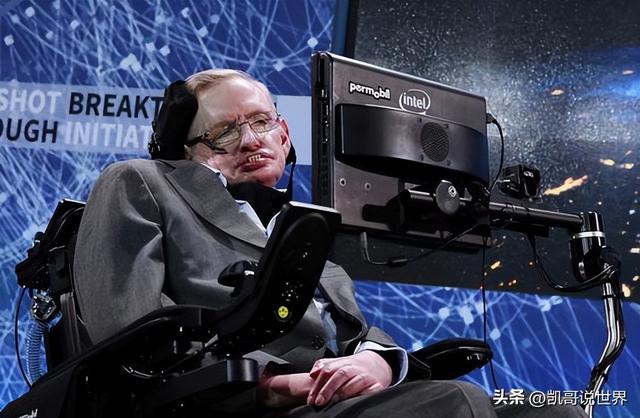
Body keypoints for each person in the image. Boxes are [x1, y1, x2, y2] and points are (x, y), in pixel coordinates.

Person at [73, 69, 587, 418]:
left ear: (284, 135)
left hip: (332, 401)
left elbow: (359, 337)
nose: (250, 140)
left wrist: (378, 362)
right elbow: (131, 341)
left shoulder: (308, 239)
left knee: (555, 412)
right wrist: (272, 386)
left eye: (260, 123)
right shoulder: (140, 182)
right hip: (237, 405)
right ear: (184, 152)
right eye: (224, 133)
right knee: (452, 403)